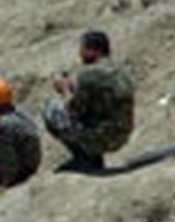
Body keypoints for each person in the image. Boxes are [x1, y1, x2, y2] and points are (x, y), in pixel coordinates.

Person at [42, 30, 135, 173]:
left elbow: (73, 110)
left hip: (102, 137)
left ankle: (85, 158)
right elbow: (101, 95)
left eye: (82, 49)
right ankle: (91, 155)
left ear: (92, 50)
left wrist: (64, 90)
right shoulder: (122, 69)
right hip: (122, 133)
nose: (80, 54)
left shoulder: (89, 74)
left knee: (50, 109)